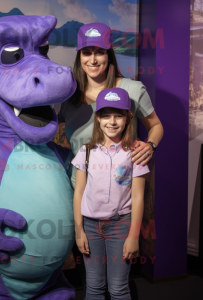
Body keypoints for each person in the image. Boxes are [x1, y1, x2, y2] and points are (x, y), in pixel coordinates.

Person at [57, 24, 163, 296]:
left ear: (109, 54)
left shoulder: (131, 89)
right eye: (86, 52)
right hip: (80, 198)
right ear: (79, 56)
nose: (93, 60)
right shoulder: (66, 95)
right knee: (89, 277)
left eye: (100, 52)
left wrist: (149, 146)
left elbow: (156, 126)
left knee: (121, 279)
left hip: (122, 198)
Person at [71, 87, 149, 300]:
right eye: (106, 115)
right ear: (97, 118)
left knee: (118, 289)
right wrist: (79, 231)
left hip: (120, 226)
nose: (112, 121)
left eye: (118, 115)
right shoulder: (86, 152)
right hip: (89, 227)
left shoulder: (135, 153)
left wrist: (134, 236)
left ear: (128, 117)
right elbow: (78, 193)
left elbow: (138, 197)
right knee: (94, 287)